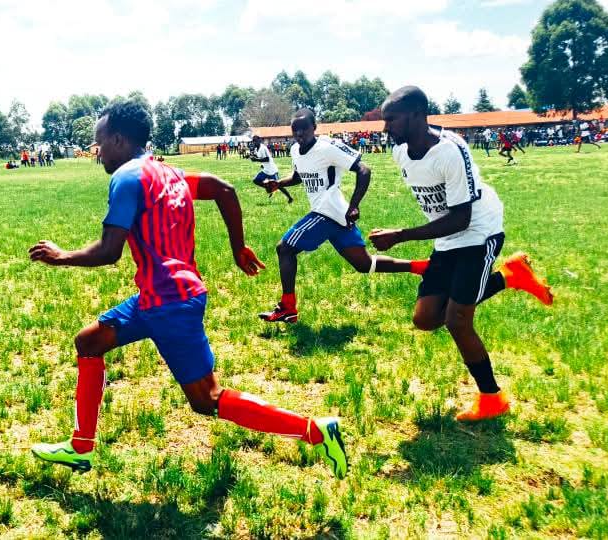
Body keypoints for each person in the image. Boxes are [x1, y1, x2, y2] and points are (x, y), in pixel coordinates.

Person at [28, 101, 348, 477]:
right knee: (89, 342)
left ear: (117, 139)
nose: (98, 153)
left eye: (100, 144)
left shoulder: (127, 178)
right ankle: (81, 447)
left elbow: (109, 251)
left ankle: (315, 431)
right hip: (157, 298)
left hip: (170, 304)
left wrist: (61, 256)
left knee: (207, 400)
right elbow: (223, 189)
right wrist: (237, 247)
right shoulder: (168, 173)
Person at [370, 86, 554, 422]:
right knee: (425, 319)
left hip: (478, 231)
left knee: (457, 319)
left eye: (392, 120)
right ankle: (511, 276)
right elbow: (443, 217)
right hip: (447, 238)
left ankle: (492, 398)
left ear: (416, 115)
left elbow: (461, 217)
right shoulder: (400, 153)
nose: (386, 128)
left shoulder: (451, 150)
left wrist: (400, 235)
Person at [257, 109, 429, 323]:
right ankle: (423, 267)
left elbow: (364, 170)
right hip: (337, 216)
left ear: (314, 128)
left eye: (304, 128)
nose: (299, 133)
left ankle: (288, 308)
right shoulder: (294, 150)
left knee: (285, 248)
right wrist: (279, 183)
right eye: (295, 130)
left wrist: (355, 205)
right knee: (364, 265)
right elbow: (298, 176)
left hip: (328, 211)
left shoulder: (327, 147)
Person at [250, 135, 292, 203]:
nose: (254, 142)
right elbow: (261, 158)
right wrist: (254, 158)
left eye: (256, 140)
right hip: (266, 170)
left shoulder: (263, 148)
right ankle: (269, 188)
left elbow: (267, 159)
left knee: (279, 185)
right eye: (253, 141)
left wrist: (256, 160)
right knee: (255, 180)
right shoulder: (256, 149)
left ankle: (290, 198)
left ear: (259, 140)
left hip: (272, 170)